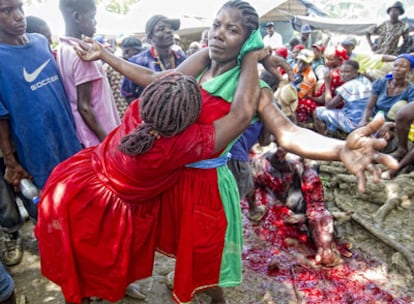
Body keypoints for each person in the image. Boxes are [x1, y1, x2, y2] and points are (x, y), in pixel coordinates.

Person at [74, 1, 399, 302]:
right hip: (171, 179)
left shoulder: (252, 88)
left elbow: (288, 132)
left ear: (248, 41)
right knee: (172, 242)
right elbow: (156, 79)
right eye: (217, 24)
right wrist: (105, 55)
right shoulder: (198, 66)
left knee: (207, 260)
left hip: (207, 187)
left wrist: (340, 149)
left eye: (232, 30)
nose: (218, 33)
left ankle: (216, 299)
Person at [35, 38, 264, 304]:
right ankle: (91, 293)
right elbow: (241, 115)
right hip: (103, 208)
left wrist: (213, 46)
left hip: (74, 181)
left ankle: (88, 293)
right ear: (187, 121)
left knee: (79, 256)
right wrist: (250, 54)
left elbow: (158, 79)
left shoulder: (138, 109)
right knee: (100, 261)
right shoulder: (181, 144)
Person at [57, 0, 121, 148]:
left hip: (84, 136)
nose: (95, 22)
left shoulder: (63, 48)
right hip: (99, 138)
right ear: (77, 17)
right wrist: (108, 142)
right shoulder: (83, 54)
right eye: (92, 17)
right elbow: (84, 106)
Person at [121, 14, 186, 103]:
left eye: (170, 27)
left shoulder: (182, 59)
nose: (168, 31)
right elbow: (128, 94)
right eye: (161, 29)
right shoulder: (137, 62)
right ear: (150, 37)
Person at [314, 60, 372, 136]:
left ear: (355, 72)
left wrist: (327, 84)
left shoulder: (350, 86)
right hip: (364, 117)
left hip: (352, 122)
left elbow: (329, 105)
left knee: (316, 112)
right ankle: (333, 134)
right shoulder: (365, 80)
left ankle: (324, 137)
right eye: (341, 72)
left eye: (347, 72)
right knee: (336, 113)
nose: (343, 75)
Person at [291, 49, 317, 123]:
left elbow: (299, 96)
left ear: (310, 64)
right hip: (293, 92)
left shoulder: (309, 77)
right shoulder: (296, 67)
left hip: (302, 98)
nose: (301, 65)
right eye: (300, 61)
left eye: (305, 63)